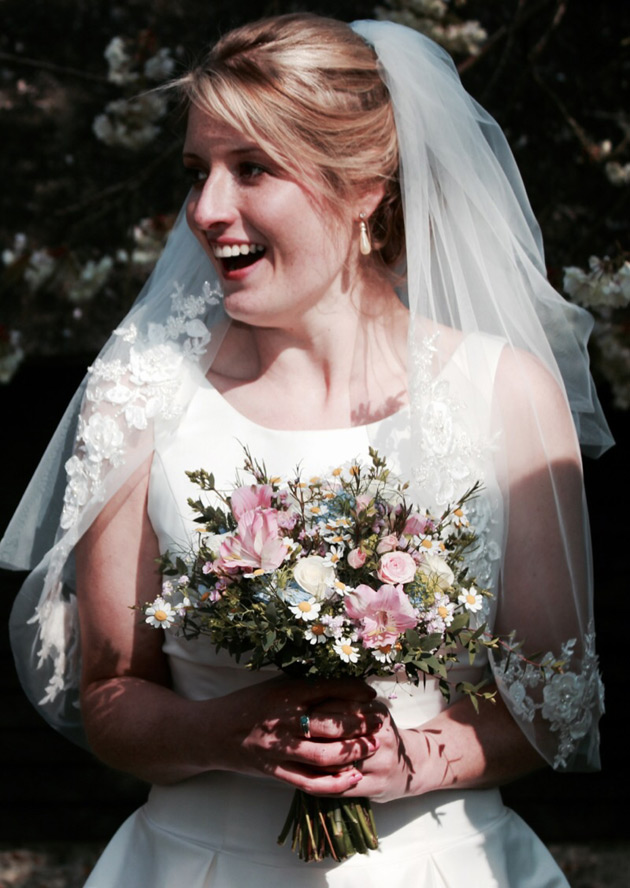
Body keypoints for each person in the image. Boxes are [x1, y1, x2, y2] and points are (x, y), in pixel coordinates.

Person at [0, 13, 613, 887]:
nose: (208, 211)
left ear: (363, 186)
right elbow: (110, 696)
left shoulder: (505, 391)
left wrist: (415, 759)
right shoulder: (139, 393)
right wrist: (231, 733)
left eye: (251, 168)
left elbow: (558, 700)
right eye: (198, 172)